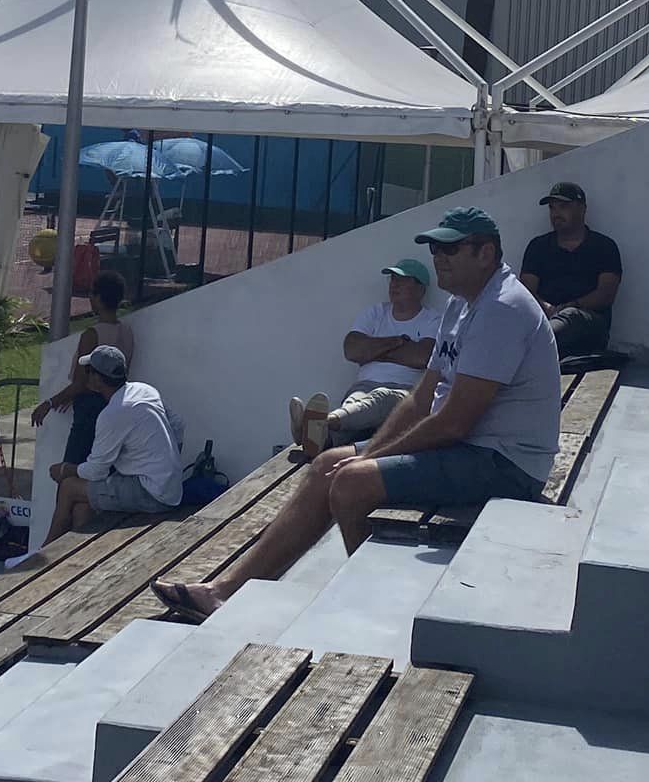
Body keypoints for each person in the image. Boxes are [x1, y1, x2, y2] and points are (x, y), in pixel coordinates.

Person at [151, 206, 560, 623]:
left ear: (485, 253)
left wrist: (370, 460)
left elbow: (455, 422)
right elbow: (421, 399)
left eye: (450, 248)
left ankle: (376, 617)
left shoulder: (502, 309)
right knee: (328, 463)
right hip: (470, 450)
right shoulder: (462, 304)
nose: (439, 256)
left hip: (505, 464)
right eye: (436, 247)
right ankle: (223, 592)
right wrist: (369, 454)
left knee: (350, 484)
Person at [287, 258, 438, 451]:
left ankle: (321, 421)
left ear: (420, 289)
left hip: (404, 391)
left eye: (403, 280)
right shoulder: (375, 313)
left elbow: (422, 357)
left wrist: (372, 351)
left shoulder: (433, 320)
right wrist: (399, 342)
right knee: (354, 402)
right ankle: (315, 438)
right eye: (392, 279)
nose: (394, 285)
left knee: (380, 398)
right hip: (363, 386)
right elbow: (352, 350)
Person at [49, 346, 185, 534]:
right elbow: (178, 425)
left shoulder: (112, 414)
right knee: (82, 505)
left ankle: (42, 552)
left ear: (97, 379)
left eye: (88, 371)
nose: (86, 376)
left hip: (152, 495)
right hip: (171, 489)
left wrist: (64, 469)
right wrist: (168, 466)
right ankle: (73, 554)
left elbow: (96, 471)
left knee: (68, 487)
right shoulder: (145, 390)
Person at [31, 273, 136, 466]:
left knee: (71, 468)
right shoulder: (127, 332)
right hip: (115, 404)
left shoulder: (92, 335)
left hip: (89, 408)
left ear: (98, 299)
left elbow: (82, 382)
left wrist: (49, 403)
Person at [518, 183, 622, 362]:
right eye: (552, 208)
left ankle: (525, 355)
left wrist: (571, 306)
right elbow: (526, 291)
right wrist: (548, 308)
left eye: (563, 206)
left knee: (571, 315)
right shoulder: (538, 246)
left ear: (582, 209)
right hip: (544, 319)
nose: (556, 213)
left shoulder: (604, 246)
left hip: (588, 325)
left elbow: (606, 294)